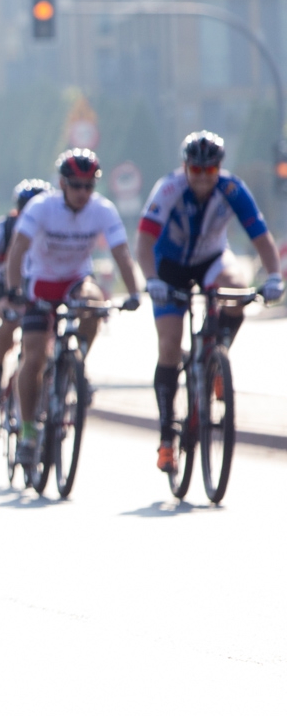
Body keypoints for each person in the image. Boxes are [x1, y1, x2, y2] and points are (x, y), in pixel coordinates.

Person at [136, 131, 282, 474]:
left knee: (236, 290)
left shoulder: (231, 189)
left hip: (211, 259)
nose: (202, 179)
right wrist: (151, 280)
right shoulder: (169, 188)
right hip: (169, 266)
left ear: (219, 170)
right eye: (196, 171)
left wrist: (274, 276)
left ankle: (216, 353)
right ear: (185, 168)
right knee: (170, 344)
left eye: (210, 172)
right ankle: (166, 438)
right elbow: (143, 241)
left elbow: (261, 237)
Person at [3, 148, 142, 468]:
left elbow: (122, 253)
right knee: (34, 356)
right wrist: (14, 290)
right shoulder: (42, 207)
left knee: (95, 302)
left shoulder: (102, 210)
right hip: (42, 283)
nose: (82, 192)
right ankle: (27, 432)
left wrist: (135, 292)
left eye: (88, 186)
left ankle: (75, 363)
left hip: (76, 280)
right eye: (75, 185)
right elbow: (18, 250)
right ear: (62, 184)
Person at [0, 179, 52, 404]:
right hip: (4, 285)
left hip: (38, 281)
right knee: (10, 321)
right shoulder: (1, 231)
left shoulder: (54, 230)